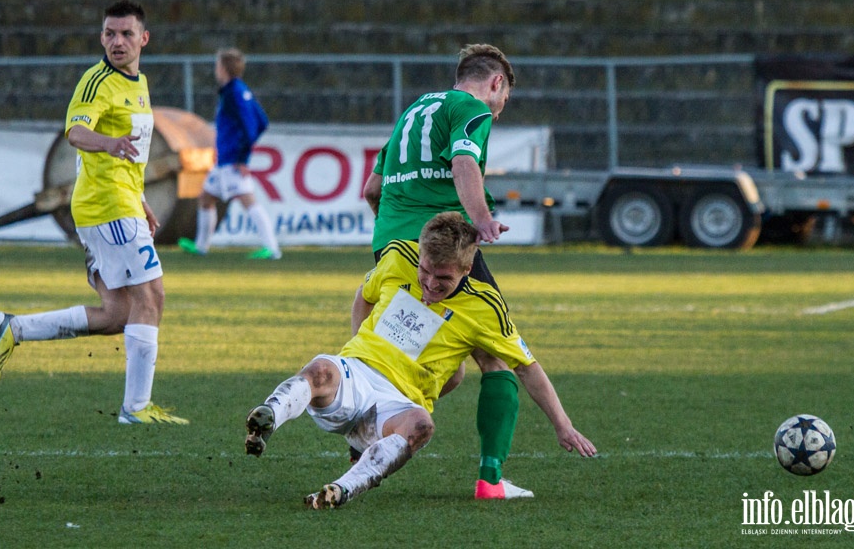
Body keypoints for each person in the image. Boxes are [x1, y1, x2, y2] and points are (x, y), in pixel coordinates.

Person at [245, 212, 596, 509]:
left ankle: (342, 489)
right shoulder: (398, 256)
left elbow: (526, 367)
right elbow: (363, 296)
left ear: (468, 267)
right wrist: (353, 350)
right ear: (420, 253)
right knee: (321, 369)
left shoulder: (485, 306)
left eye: (443, 278)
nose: (429, 284)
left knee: (421, 426)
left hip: (399, 403)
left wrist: (562, 425)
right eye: (425, 271)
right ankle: (268, 417)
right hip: (358, 374)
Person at [0, 0, 188, 425]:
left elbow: (131, 157)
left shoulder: (139, 84)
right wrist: (108, 143)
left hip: (120, 201)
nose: (117, 41)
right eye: (110, 34)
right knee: (153, 296)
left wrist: (142, 200)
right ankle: (136, 410)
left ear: (143, 39)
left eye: (126, 33)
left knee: (117, 314)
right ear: (101, 38)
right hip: (105, 206)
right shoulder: (97, 82)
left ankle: (13, 329)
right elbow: (76, 132)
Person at [359, 43, 524, 499]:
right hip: (446, 246)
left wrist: (392, 237)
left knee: (425, 365)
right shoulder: (472, 108)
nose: (500, 108)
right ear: (496, 83)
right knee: (496, 357)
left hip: (392, 247)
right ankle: (491, 480)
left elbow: (372, 188)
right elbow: (464, 162)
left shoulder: (414, 111)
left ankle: (371, 427)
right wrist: (480, 219)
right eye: (505, 98)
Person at [178, 48, 281, 260]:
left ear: (223, 69)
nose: (216, 70)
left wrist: (242, 158)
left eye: (217, 65)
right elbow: (262, 121)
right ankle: (201, 247)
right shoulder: (238, 90)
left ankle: (272, 249)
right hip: (225, 160)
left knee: (248, 201)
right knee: (206, 198)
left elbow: (252, 127)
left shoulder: (234, 93)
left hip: (233, 161)